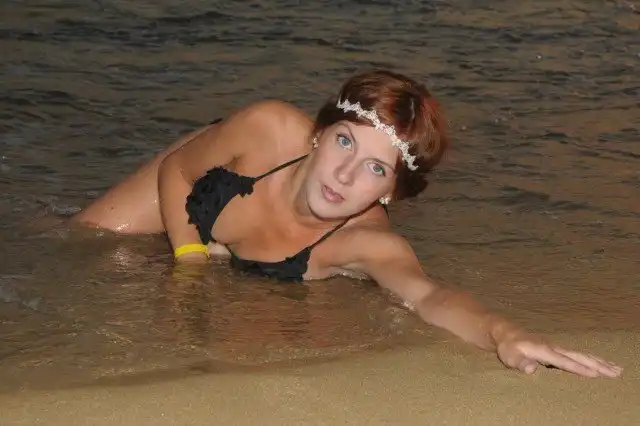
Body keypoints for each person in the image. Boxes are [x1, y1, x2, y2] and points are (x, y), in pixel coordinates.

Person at [71, 70, 622, 378]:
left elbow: (428, 296)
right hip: (212, 172)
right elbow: (177, 172)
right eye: (344, 142)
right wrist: (189, 260)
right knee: (83, 242)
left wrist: (506, 334)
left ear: (390, 192)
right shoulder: (268, 128)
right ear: (319, 134)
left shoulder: (366, 243)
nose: (345, 173)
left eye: (375, 168)